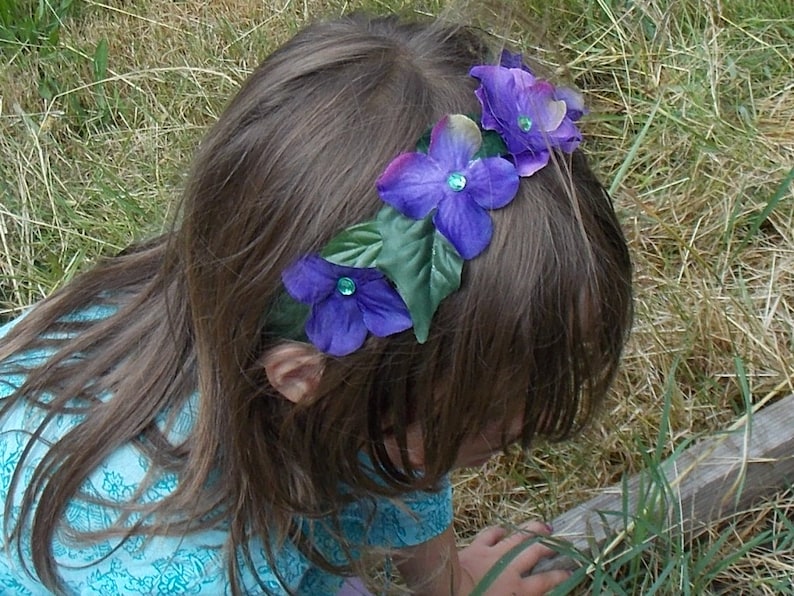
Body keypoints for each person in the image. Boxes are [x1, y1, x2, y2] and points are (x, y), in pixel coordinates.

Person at [0, 12, 632, 596]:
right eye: (484, 411)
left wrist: (451, 583)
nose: (518, 424)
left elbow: (400, 461)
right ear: (306, 378)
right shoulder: (183, 571)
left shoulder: (298, 329)